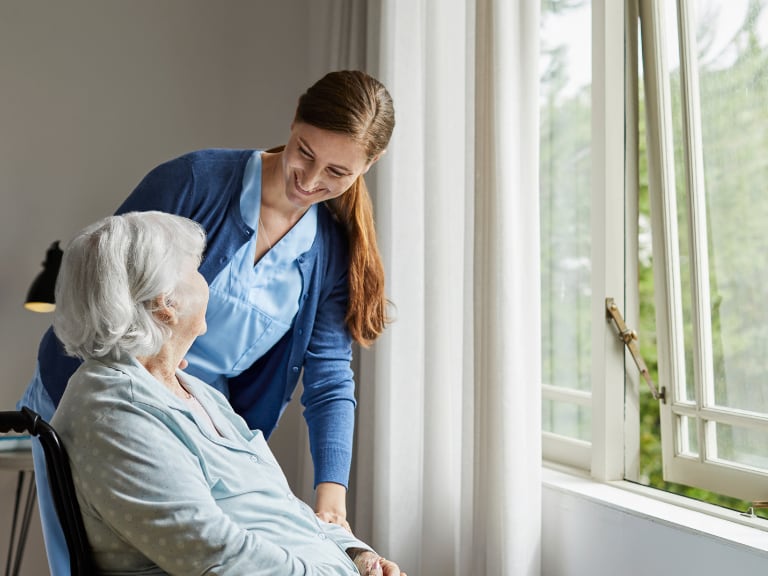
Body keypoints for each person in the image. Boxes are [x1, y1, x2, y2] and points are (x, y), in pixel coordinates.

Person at [20, 70, 395, 574]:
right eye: (304, 152)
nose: (309, 180)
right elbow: (107, 276)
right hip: (115, 389)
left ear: (368, 165)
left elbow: (330, 376)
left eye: (337, 172)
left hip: (201, 418)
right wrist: (105, 406)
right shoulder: (197, 181)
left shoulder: (328, 246)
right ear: (293, 122)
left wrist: (334, 516)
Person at [47, 211, 405, 576]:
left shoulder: (193, 391)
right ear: (165, 303)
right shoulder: (115, 415)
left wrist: (357, 556)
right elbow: (215, 555)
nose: (207, 283)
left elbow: (277, 504)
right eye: (195, 271)